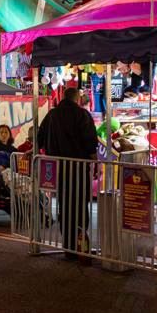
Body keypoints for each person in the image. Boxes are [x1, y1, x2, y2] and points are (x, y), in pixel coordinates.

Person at [37, 86, 98, 259]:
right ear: (77, 98)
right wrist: (94, 160)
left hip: (58, 168)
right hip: (78, 168)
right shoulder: (82, 115)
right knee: (80, 205)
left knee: (64, 205)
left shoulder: (52, 115)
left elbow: (40, 136)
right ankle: (80, 243)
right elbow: (89, 140)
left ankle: (68, 245)